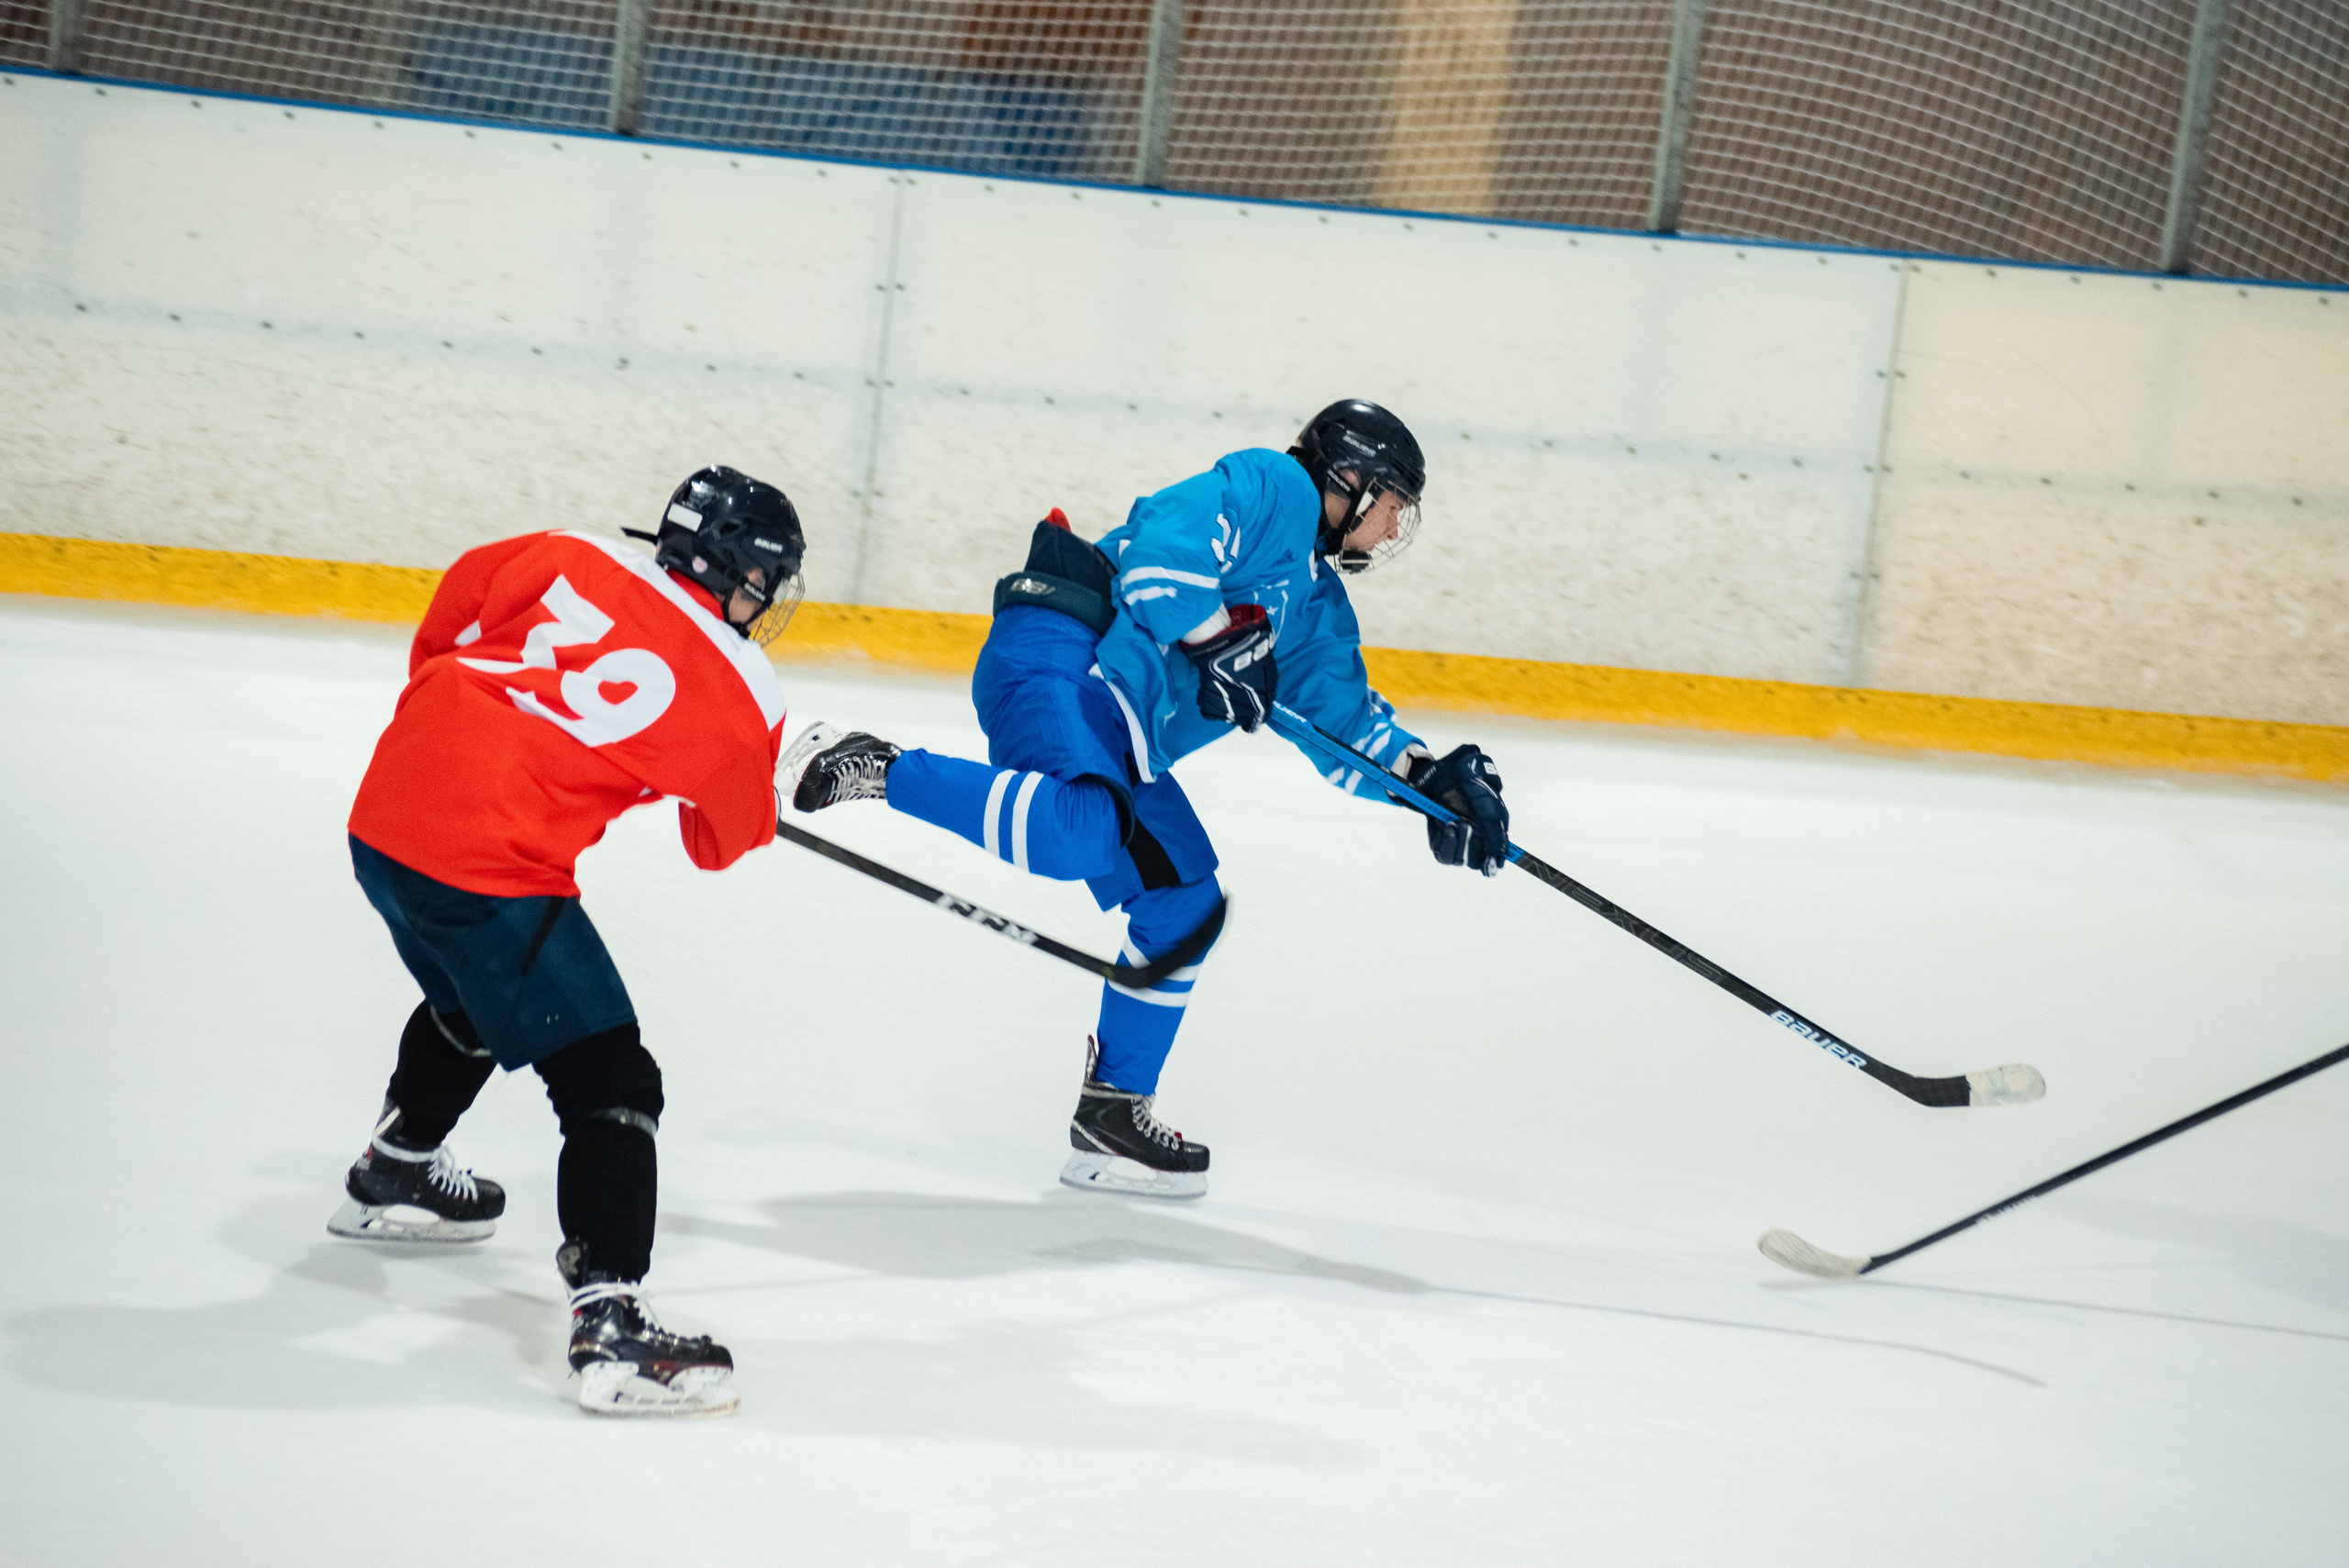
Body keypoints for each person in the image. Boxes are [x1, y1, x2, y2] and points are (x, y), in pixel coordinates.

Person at [780, 400, 1509, 1200]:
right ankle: (877, 766)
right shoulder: (1276, 487)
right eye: (1393, 504)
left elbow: (1344, 723)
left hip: (1118, 724)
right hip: (1068, 649)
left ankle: (1113, 1115)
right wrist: (1217, 639)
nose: (1392, 526)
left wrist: (1430, 782)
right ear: (1349, 479)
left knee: (1185, 902)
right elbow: (1163, 555)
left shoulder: (1318, 607)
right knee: (1083, 828)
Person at [330, 465, 804, 1418]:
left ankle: (396, 1168)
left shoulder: (569, 550)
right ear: (734, 571)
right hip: (485, 859)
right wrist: (748, 773)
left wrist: (466, 721)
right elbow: (723, 843)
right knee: (611, 1080)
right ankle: (612, 1322)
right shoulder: (742, 681)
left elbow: (452, 609)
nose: (763, 599)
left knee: (473, 991)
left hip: (385, 813)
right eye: (764, 578)